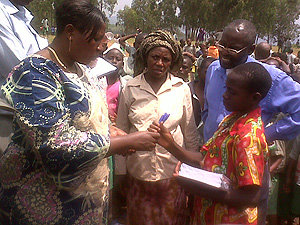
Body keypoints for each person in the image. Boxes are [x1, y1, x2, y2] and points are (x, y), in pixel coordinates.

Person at [0, 1, 160, 224]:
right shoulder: (35, 73)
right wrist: (124, 142)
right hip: (45, 208)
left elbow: (84, 119)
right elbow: (54, 146)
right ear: (70, 32)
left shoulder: (82, 69)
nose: (100, 46)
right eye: (94, 39)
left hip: (83, 205)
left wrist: (111, 130)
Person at [202, 19, 300, 224]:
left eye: (234, 48)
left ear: (251, 49)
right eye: (222, 45)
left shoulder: (269, 77)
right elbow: (208, 111)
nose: (225, 52)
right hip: (211, 168)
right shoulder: (212, 70)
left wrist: (266, 134)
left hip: (247, 176)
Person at [149, 62, 272, 224]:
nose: (225, 95)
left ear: (254, 98)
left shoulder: (248, 137)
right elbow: (204, 157)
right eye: (225, 88)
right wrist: (170, 144)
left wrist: (195, 187)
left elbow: (251, 196)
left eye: (232, 92)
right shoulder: (232, 120)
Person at [116, 30, 200, 225]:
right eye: (155, 57)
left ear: (172, 62)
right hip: (138, 175)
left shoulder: (181, 89)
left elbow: (190, 134)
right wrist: (121, 175)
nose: (160, 63)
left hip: (173, 175)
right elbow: (120, 131)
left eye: (166, 59)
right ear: (146, 57)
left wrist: (191, 171)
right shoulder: (130, 88)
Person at [0, 0, 48, 154]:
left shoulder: (23, 16)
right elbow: (21, 68)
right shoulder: (2, 14)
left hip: (27, 118)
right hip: (6, 119)